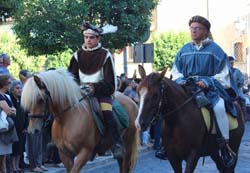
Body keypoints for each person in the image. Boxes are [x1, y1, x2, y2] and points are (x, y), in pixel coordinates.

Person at [171, 15, 237, 167]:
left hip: (210, 89)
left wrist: (207, 81)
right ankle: (165, 144)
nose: (193, 31)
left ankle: (225, 147)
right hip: (187, 88)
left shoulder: (216, 50)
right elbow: (175, 70)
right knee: (170, 107)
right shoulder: (184, 50)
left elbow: (224, 75)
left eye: (197, 28)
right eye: (192, 28)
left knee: (219, 107)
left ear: (206, 31)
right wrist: (180, 79)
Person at [68, 22, 124, 159]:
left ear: (98, 39)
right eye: (86, 37)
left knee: (107, 112)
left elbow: (110, 82)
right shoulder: (77, 55)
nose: (88, 40)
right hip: (80, 93)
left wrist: (95, 87)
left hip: (101, 93)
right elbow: (71, 77)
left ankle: (116, 144)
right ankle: (57, 140)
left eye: (91, 37)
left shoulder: (105, 55)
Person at [9, 80, 29, 172]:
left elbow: (25, 114)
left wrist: (25, 127)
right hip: (14, 128)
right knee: (15, 148)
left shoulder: (22, 99)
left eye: (20, 88)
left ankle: (17, 166)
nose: (20, 90)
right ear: (12, 90)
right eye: (17, 88)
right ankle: (13, 167)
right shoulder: (10, 100)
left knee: (21, 148)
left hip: (22, 128)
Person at [0, 74, 17, 173]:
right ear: (3, 83)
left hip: (7, 128)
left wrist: (12, 110)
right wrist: (11, 110)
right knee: (1, 155)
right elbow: (9, 111)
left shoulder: (6, 96)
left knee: (4, 156)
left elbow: (14, 111)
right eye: (9, 82)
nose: (10, 84)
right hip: (2, 128)